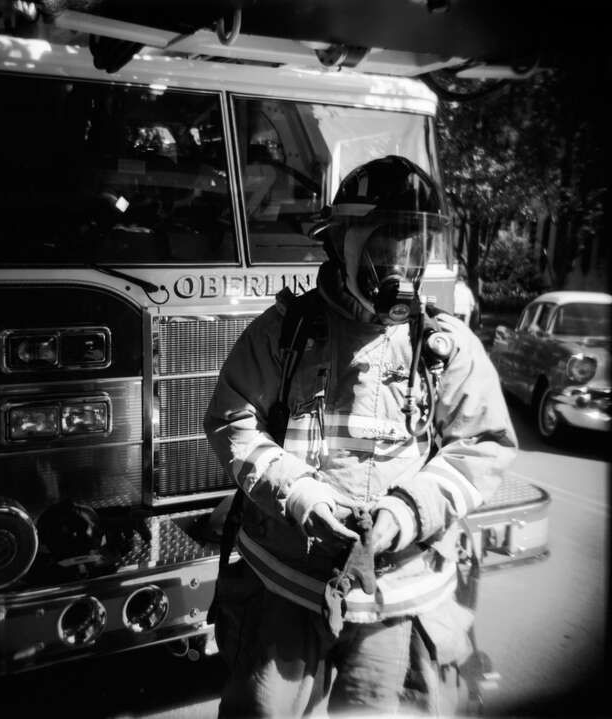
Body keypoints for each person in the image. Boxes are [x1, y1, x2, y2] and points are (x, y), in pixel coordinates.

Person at [204, 155, 517, 717]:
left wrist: (405, 514)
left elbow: (482, 445)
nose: (399, 264)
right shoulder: (283, 333)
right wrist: (299, 495)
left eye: (414, 247)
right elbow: (235, 421)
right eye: (383, 245)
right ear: (340, 241)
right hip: (285, 586)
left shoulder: (448, 347)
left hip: (397, 596)